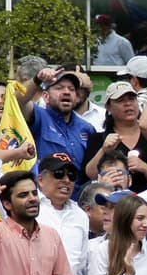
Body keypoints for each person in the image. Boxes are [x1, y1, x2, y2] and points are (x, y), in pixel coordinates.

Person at [21, 68, 96, 198]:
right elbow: (17, 102)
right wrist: (37, 80)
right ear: (45, 96)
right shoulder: (38, 116)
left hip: (77, 203)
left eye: (71, 89)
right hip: (43, 201)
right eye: (59, 88)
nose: (66, 92)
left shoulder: (87, 128)